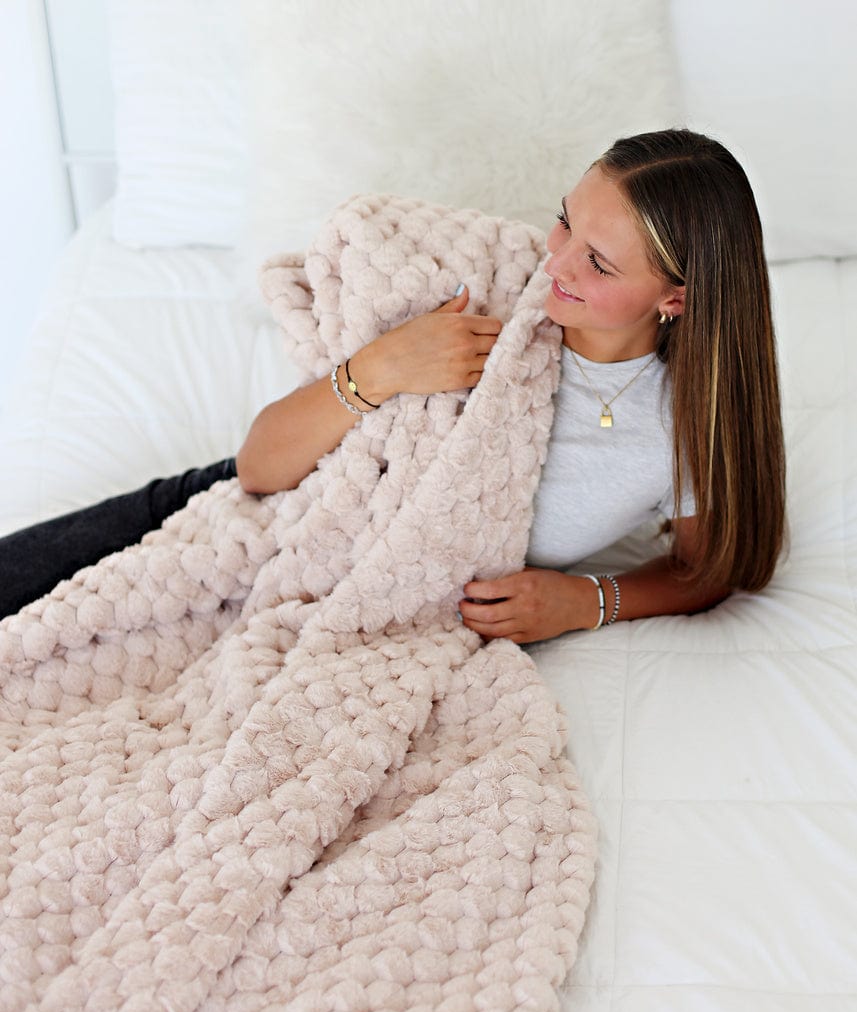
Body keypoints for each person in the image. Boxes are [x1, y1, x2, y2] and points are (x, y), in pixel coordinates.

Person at [0, 129, 786, 640]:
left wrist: (589, 600)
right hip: (242, 518)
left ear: (675, 299)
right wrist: (382, 366)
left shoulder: (685, 427)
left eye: (599, 262)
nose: (556, 261)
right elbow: (258, 469)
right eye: (564, 223)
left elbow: (712, 568)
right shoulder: (483, 283)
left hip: (366, 608)